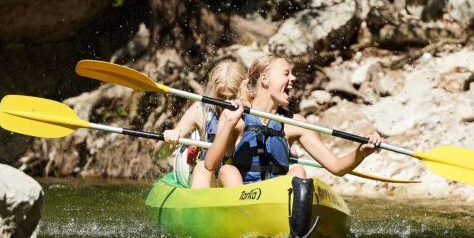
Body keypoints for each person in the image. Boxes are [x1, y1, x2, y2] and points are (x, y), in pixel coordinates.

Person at [204, 54, 382, 187]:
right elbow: (211, 164)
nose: (293, 78)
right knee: (228, 171)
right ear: (265, 80)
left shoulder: (295, 124)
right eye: (286, 74)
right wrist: (228, 123)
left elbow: (336, 167)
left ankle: (293, 229)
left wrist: (361, 152)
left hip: (276, 198)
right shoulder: (236, 116)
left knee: (298, 171)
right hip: (241, 196)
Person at [159, 60, 246, 188]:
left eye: (232, 97)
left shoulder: (252, 113)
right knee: (202, 167)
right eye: (221, 97)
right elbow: (159, 155)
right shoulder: (200, 111)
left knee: (229, 170)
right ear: (213, 92)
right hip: (208, 178)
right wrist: (167, 141)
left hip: (237, 178)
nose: (227, 104)